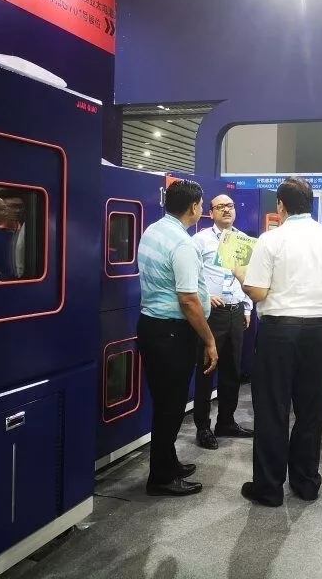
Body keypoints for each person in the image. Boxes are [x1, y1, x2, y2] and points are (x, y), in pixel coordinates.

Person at [235, 177, 322, 507]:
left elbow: (258, 292)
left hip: (279, 331)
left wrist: (242, 276)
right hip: (318, 330)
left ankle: (269, 488)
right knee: (311, 409)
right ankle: (306, 482)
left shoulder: (271, 239)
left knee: (272, 409)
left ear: (281, 205)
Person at [136, 179, 218, 497]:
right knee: (170, 407)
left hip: (153, 327)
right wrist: (209, 340)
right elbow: (189, 301)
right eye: (202, 204)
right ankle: (160, 478)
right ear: (194, 207)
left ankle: (168, 463)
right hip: (172, 333)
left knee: (165, 404)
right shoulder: (183, 244)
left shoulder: (154, 230)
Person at [191, 194, 254, 449]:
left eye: (230, 206)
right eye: (220, 207)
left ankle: (226, 421)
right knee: (207, 370)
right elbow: (190, 274)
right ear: (211, 212)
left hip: (236, 311)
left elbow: (247, 276)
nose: (226, 210)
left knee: (232, 371)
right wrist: (204, 296)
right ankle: (203, 427)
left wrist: (247, 307)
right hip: (212, 313)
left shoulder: (243, 240)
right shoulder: (200, 240)